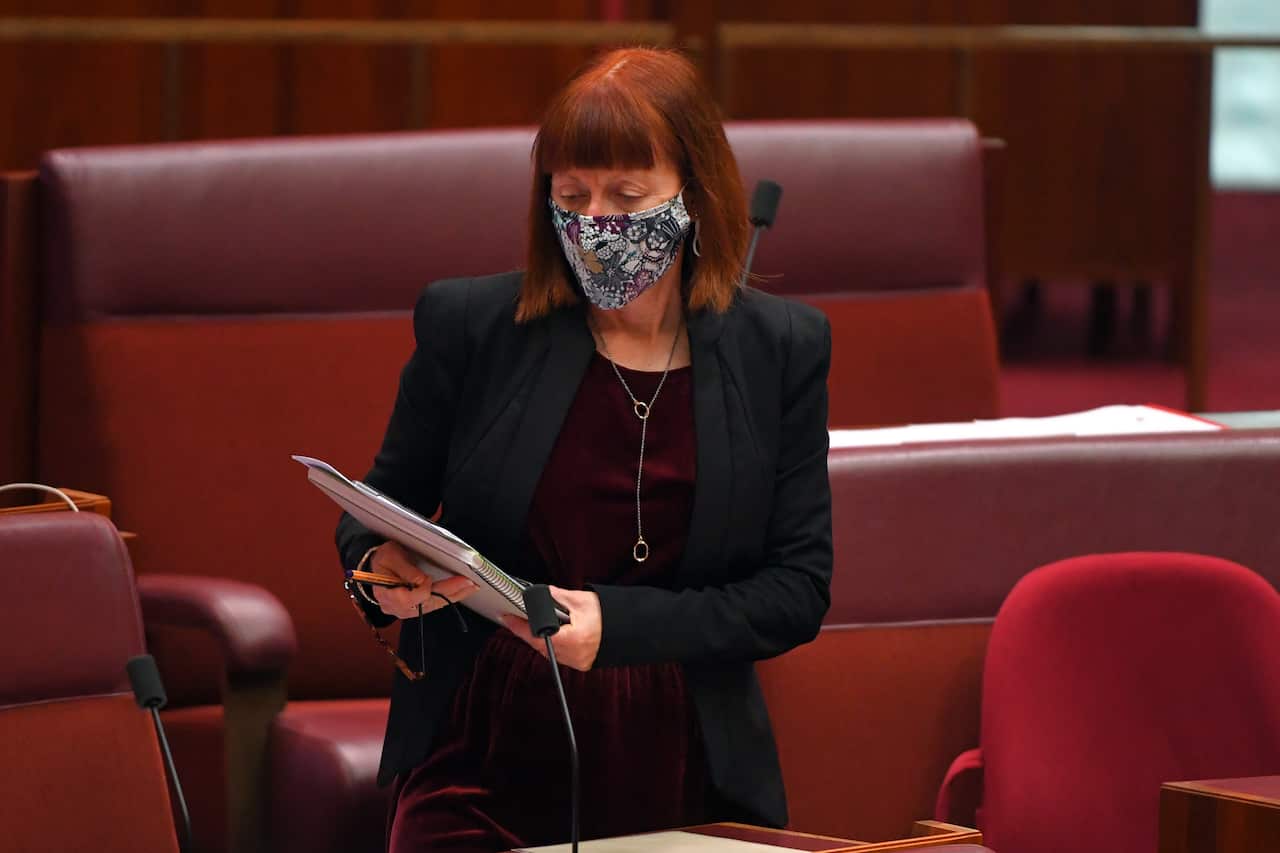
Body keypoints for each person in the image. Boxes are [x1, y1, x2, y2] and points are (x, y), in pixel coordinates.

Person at [336, 46, 833, 853]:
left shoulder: (781, 346)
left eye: (626, 195)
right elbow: (375, 505)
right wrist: (378, 569)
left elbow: (796, 589)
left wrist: (621, 624)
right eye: (571, 195)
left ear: (694, 194)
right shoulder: (474, 326)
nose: (595, 221)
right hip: (486, 742)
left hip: (686, 752)